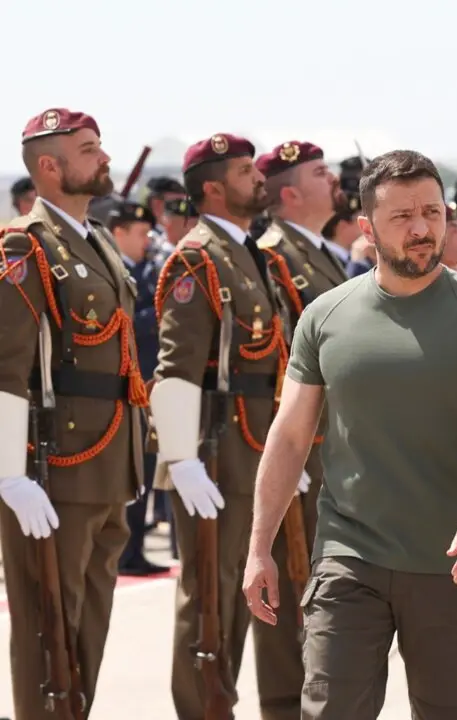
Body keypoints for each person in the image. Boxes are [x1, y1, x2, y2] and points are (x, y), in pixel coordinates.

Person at [242, 149, 457, 720]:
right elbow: (290, 435)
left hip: (453, 562)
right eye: (403, 217)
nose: (423, 229)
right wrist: (258, 550)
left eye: (432, 211)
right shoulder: (325, 317)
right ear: (368, 229)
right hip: (349, 560)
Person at [0, 107, 146, 719]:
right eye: (89, 149)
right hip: (56, 465)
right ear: (50, 166)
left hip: (108, 464)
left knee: (88, 629)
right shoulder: (23, 244)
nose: (104, 158)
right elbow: (5, 366)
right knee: (47, 630)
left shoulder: (95, 241)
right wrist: (10, 472)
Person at [147, 133, 284, 720]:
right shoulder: (197, 258)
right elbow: (175, 370)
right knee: (209, 598)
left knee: (237, 595)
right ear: (212, 188)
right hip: (217, 449)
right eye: (246, 170)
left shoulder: (250, 253)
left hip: (254, 446)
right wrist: (181, 460)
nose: (259, 178)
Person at [250, 139, 347, 720]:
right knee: (290, 589)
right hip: (301, 451)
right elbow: (268, 360)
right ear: (289, 193)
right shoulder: (271, 255)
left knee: (326, 592)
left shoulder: (321, 253)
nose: (332, 177)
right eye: (319, 172)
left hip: (335, 447)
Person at [107, 199, 171, 576]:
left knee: (144, 474)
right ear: (119, 233)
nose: (148, 240)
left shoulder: (146, 271)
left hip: (147, 388)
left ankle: (134, 550)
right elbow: (122, 321)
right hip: (122, 389)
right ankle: (123, 552)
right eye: (140, 233)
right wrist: (164, 314)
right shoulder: (114, 270)